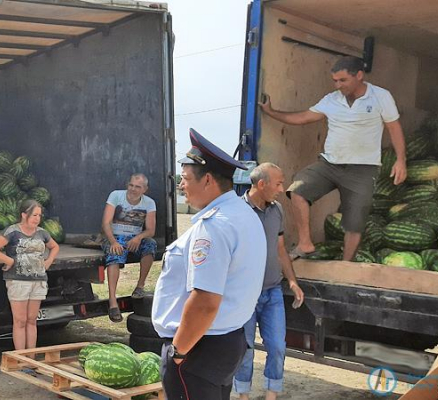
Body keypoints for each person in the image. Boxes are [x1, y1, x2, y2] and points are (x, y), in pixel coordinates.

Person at [152, 128, 266, 400]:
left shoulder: (214, 226)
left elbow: (205, 301)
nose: (181, 186)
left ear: (208, 182)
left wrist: (178, 352)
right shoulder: (242, 214)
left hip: (198, 349)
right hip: (225, 341)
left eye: (185, 179)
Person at [259, 56, 407, 261]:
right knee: (297, 190)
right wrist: (271, 112)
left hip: (363, 169)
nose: (338, 85)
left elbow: (394, 127)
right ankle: (305, 243)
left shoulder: (380, 97)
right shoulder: (331, 100)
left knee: (354, 222)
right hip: (330, 164)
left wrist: (401, 160)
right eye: (335, 80)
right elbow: (302, 117)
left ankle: (346, 265)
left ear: (359, 76)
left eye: (343, 80)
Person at [234, 163, 305, 400]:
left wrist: (292, 281)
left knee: (277, 347)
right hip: (244, 294)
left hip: (272, 290)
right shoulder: (236, 211)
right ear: (261, 184)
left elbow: (281, 248)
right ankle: (243, 395)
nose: (281, 188)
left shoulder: (277, 210)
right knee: (245, 349)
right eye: (278, 183)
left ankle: (271, 396)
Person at [0, 200, 60, 351]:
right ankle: (21, 357)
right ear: (24, 215)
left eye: (39, 215)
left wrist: (49, 261)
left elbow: (54, 246)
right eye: (34, 215)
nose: (37, 218)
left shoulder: (42, 233)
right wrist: (9, 260)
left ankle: (31, 358)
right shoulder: (12, 231)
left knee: (32, 321)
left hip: (38, 281)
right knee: (20, 321)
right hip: (18, 282)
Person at [101, 173, 157, 322]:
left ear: (145, 189)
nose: (133, 189)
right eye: (131, 185)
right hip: (115, 237)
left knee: (150, 244)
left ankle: (140, 287)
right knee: (115, 253)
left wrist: (138, 238)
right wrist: (113, 241)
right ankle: (113, 301)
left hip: (134, 239)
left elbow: (151, 230)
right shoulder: (115, 196)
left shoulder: (149, 203)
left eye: (137, 187)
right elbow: (106, 223)